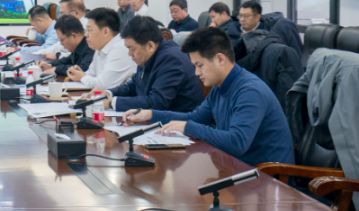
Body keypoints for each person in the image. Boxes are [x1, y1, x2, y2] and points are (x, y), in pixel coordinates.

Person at [122, 27, 294, 166]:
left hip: (269, 178)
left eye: (199, 65)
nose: (196, 73)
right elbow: (195, 118)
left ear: (220, 59)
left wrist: (189, 127)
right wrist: (150, 114)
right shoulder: (220, 87)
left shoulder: (250, 91)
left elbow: (237, 143)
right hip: (240, 168)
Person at [109, 17, 204, 113]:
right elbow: (135, 86)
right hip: (158, 118)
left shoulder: (172, 60)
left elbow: (157, 102)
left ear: (150, 46)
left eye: (132, 49)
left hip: (181, 119)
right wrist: (109, 94)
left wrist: (112, 103)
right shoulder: (147, 55)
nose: (129, 53)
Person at [63, 7, 136, 90]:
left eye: (89, 30)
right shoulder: (100, 48)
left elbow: (103, 85)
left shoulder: (120, 49)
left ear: (105, 31)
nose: (86, 35)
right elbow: (91, 75)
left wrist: (82, 77)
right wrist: (80, 73)